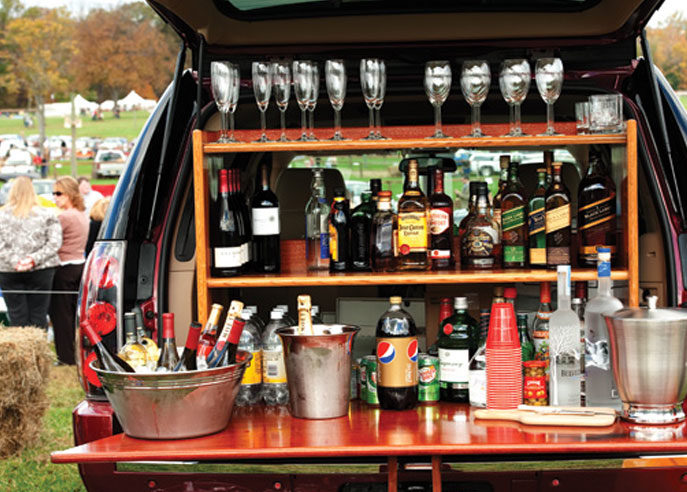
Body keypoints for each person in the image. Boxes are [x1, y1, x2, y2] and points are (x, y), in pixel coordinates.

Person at [0, 177, 62, 329]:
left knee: (16, 315)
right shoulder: (47, 214)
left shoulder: (2, 215)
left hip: (9, 270)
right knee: (39, 314)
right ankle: (38, 342)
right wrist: (33, 259)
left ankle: (21, 343)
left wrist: (16, 261)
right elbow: (54, 242)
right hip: (41, 269)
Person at [50, 176, 89, 365]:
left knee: (61, 315)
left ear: (70, 194)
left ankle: (65, 357)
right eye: (54, 193)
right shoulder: (82, 214)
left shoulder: (64, 217)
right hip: (79, 265)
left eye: (59, 193)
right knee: (73, 315)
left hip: (64, 267)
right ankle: (74, 353)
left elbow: (53, 242)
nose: (55, 197)